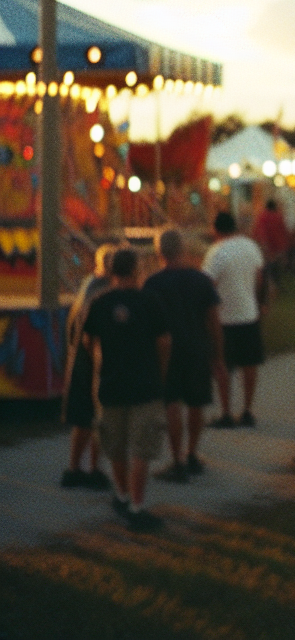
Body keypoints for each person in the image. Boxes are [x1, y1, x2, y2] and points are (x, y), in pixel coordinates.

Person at [82, 247, 171, 532]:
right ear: (136, 270)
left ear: (111, 272)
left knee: (116, 446)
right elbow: (164, 342)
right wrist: (162, 372)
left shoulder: (99, 302)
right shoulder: (150, 301)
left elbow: (88, 340)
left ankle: (121, 496)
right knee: (141, 448)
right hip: (145, 383)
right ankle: (137, 505)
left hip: (110, 384)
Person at [145, 228, 222, 482]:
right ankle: (192, 454)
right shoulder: (201, 280)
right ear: (183, 250)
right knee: (196, 402)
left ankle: (177, 459)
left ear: (159, 253)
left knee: (172, 403)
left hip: (167, 349)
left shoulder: (152, 283)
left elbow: (148, 323)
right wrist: (217, 353)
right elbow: (213, 319)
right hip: (198, 346)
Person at [60, 244, 117, 490]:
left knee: (83, 419)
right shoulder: (104, 291)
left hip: (78, 359)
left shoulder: (87, 284)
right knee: (97, 418)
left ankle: (74, 469)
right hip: (93, 361)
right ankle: (95, 469)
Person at [203, 211, 265, 428]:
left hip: (224, 317)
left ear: (216, 229)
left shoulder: (216, 252)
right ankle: (247, 409)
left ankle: (226, 411)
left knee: (222, 364)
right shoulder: (251, 246)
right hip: (249, 313)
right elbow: (259, 277)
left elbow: (207, 283)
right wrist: (254, 299)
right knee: (249, 364)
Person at [253, 198, 290, 301]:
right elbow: (283, 230)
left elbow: (259, 232)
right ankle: (276, 286)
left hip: (267, 247)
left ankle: (270, 287)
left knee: (268, 268)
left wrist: (263, 245)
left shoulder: (262, 217)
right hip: (278, 246)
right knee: (276, 268)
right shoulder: (278, 216)